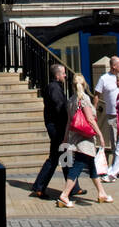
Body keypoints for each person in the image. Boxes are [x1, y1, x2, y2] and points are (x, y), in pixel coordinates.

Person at [56, 74, 112, 207]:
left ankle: (101, 193)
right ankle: (64, 195)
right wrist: (100, 135)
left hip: (75, 137)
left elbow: (69, 122)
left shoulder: (71, 100)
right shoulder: (84, 99)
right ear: (84, 84)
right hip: (85, 139)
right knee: (77, 167)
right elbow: (90, 120)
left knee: (92, 166)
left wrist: (65, 138)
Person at [30, 62, 84, 199]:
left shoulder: (55, 87)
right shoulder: (54, 88)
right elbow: (59, 106)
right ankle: (39, 187)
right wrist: (69, 117)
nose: (66, 75)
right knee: (55, 157)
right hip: (57, 127)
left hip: (58, 126)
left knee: (64, 157)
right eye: (64, 73)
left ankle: (72, 187)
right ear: (58, 75)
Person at [94, 56, 119, 153]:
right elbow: (96, 95)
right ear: (114, 66)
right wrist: (93, 110)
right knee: (115, 142)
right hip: (112, 115)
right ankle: (117, 167)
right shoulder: (104, 78)